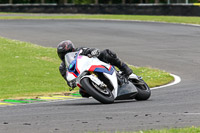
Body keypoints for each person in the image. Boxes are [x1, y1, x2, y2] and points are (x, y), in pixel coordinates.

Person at [57, 40, 137, 97]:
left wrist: (94, 51)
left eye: (66, 52)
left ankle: (125, 69)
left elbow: (90, 50)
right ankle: (101, 92)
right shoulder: (63, 67)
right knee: (83, 93)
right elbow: (68, 79)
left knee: (107, 53)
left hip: (94, 65)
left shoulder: (80, 50)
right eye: (62, 54)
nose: (65, 55)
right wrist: (71, 83)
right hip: (82, 77)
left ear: (72, 49)